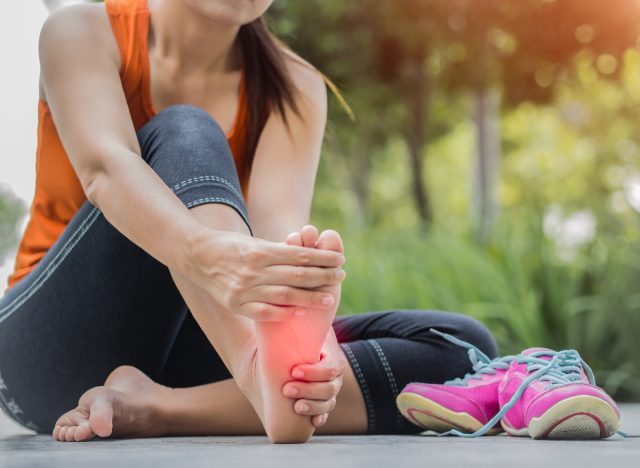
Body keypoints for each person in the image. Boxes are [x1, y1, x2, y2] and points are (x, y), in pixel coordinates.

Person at [0, 0, 497, 443]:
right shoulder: (82, 29)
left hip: (197, 350)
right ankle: (257, 378)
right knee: (186, 129)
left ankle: (156, 408)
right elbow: (105, 170)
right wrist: (205, 255)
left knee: (461, 350)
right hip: (50, 352)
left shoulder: (295, 85)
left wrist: (306, 351)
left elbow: (279, 249)